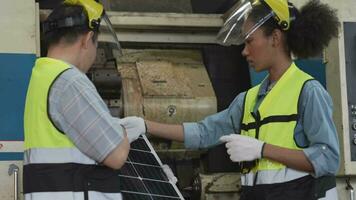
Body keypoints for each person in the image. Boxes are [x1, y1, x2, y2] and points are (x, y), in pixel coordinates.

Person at [119, 0, 340, 199]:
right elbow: (203, 132)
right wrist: (145, 125)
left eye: (250, 41)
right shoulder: (247, 100)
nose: (244, 51)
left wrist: (262, 149)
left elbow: (328, 157)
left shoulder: (308, 91)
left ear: (275, 38)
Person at [23, 1, 133, 199]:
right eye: (96, 43)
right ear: (87, 39)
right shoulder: (69, 81)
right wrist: (124, 130)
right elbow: (116, 155)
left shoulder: (41, 75)